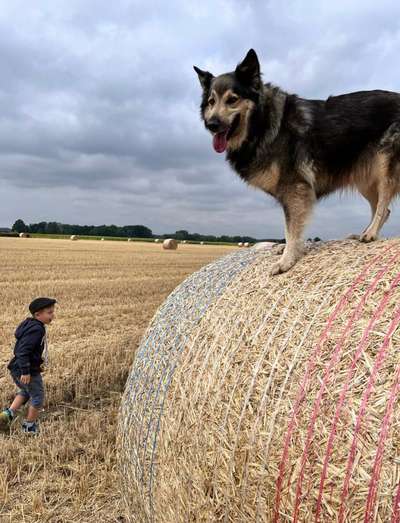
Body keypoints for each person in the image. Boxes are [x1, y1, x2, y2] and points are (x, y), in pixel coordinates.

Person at [0, 297, 56, 434]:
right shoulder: (36, 330)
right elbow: (23, 351)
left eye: (53, 312)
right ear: (38, 314)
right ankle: (29, 427)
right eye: (49, 312)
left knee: (25, 391)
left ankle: (8, 414)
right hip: (24, 369)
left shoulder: (30, 324)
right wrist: (26, 371)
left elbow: (28, 351)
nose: (53, 315)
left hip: (16, 367)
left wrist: (37, 363)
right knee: (37, 396)